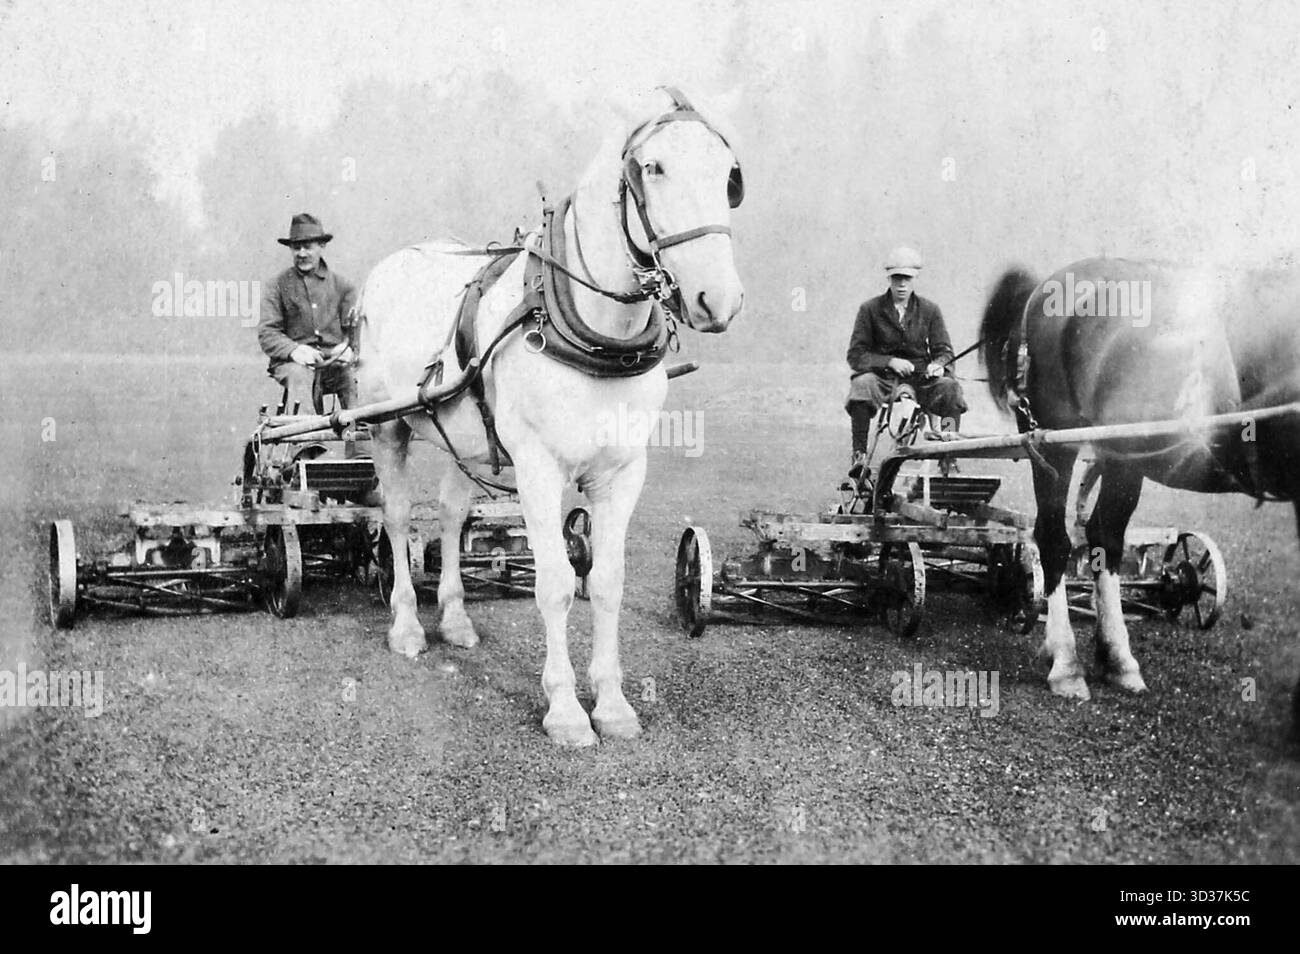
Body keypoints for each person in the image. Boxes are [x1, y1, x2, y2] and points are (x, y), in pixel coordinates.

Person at [845, 246, 966, 477]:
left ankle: (949, 454)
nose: (901, 284)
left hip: (922, 380)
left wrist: (938, 364)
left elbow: (945, 351)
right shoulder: (869, 310)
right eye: (897, 278)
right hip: (884, 380)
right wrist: (889, 361)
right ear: (889, 279)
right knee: (861, 386)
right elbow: (856, 355)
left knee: (951, 389)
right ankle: (858, 455)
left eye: (907, 279)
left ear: (914, 279)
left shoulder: (930, 310)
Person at [258, 213, 358, 414]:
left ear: (321, 246)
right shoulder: (277, 286)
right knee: (300, 376)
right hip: (293, 364)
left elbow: (355, 331)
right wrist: (294, 350)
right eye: (296, 247)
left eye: (308, 246)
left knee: (354, 381)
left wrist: (348, 349)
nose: (301, 253)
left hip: (333, 364)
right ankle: (309, 443)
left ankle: (356, 440)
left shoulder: (343, 286)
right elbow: (268, 332)